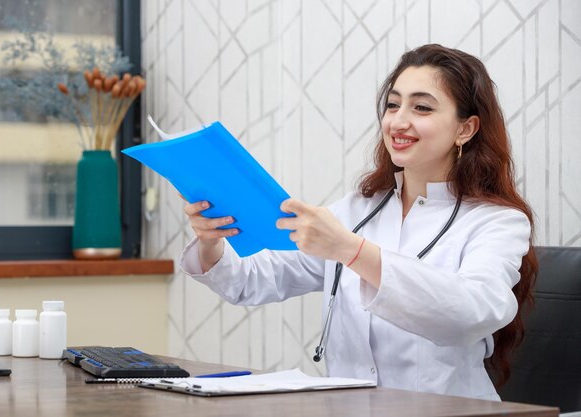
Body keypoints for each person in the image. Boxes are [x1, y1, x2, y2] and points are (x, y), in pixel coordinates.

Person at [179, 44, 537, 401]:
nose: (398, 121)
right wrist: (212, 241)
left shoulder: (498, 222)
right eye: (393, 104)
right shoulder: (358, 210)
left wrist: (350, 250)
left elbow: (472, 312)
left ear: (466, 129)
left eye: (422, 107)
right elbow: (251, 281)